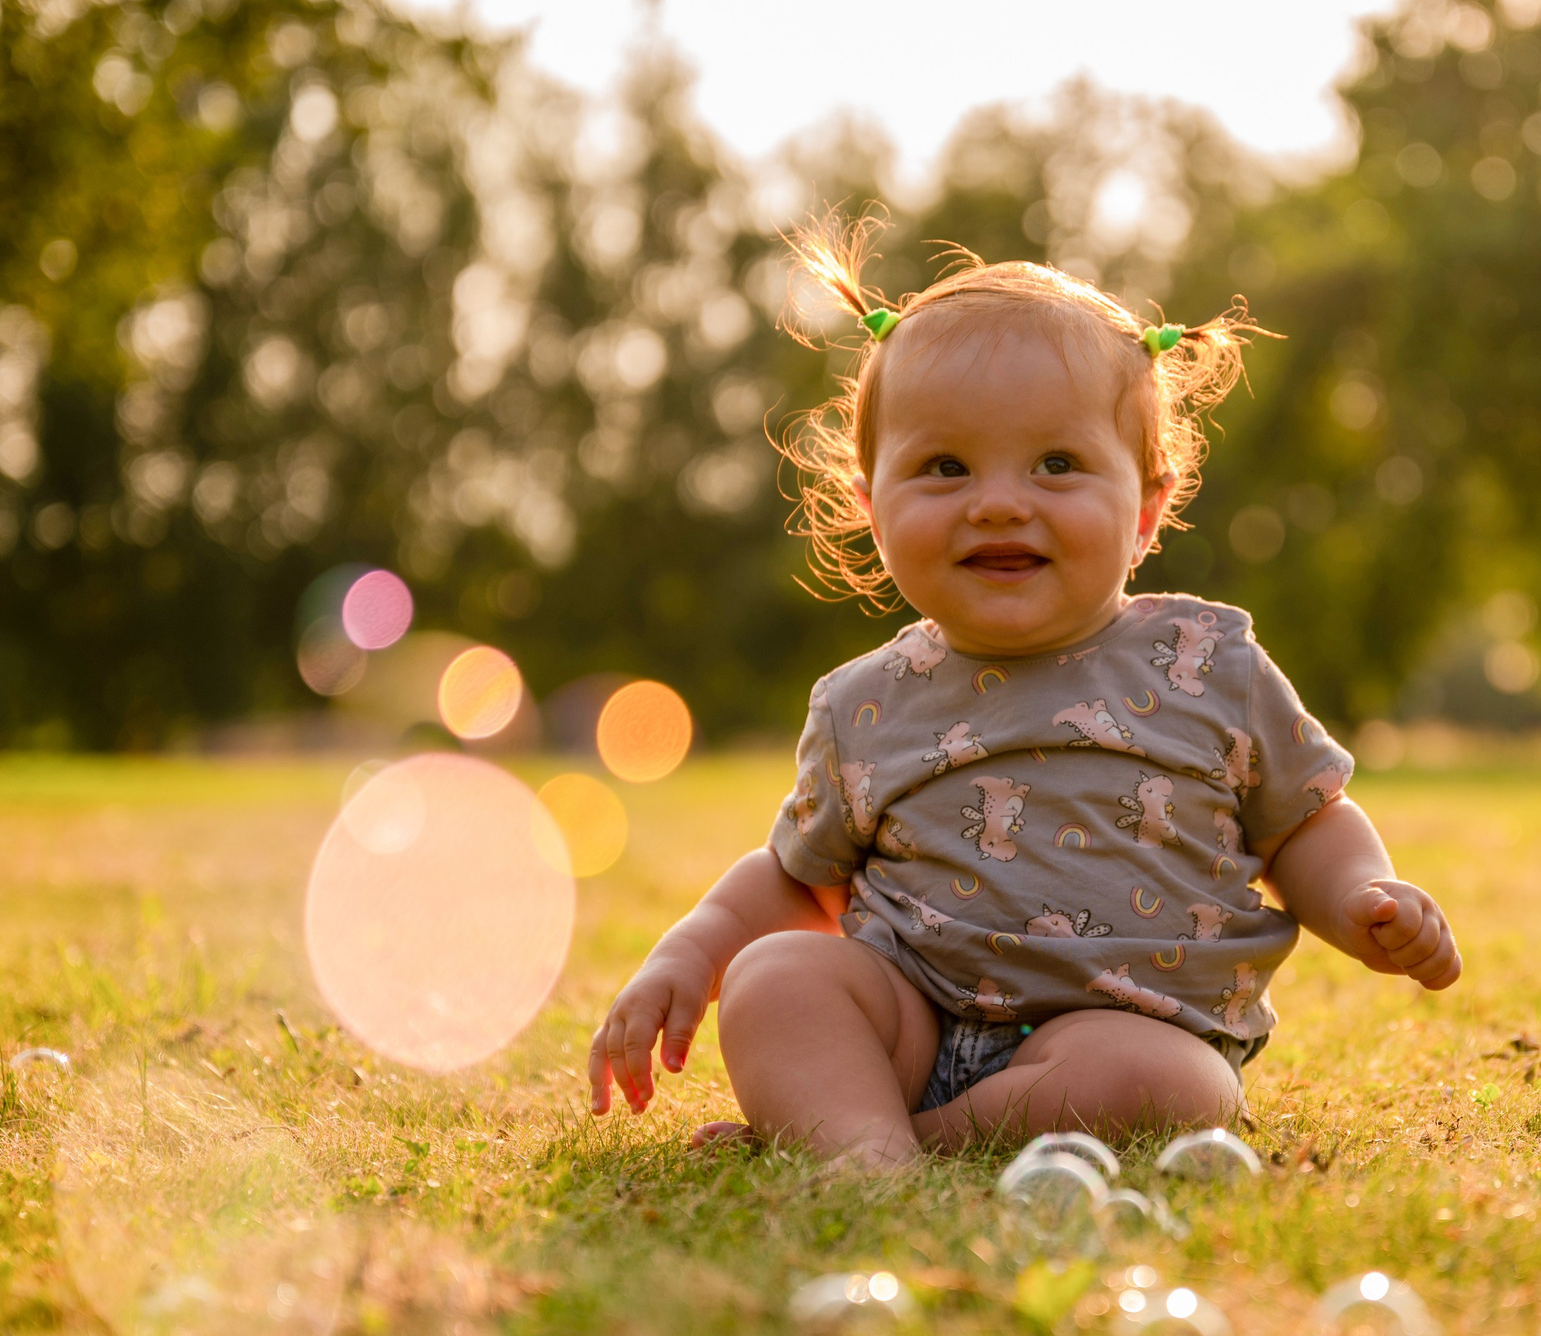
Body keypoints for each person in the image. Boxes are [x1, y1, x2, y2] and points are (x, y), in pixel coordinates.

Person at [585, 218, 1461, 1167]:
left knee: (1178, 1087)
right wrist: (690, 951)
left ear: (1145, 508)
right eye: (945, 467)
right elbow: (800, 879)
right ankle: (869, 1144)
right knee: (776, 978)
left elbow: (1304, 822)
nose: (999, 500)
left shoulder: (1210, 665)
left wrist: (1364, 895)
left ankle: (888, 1143)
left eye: (1056, 464)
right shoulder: (865, 703)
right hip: (909, 1018)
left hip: (1121, 1036)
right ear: (873, 506)